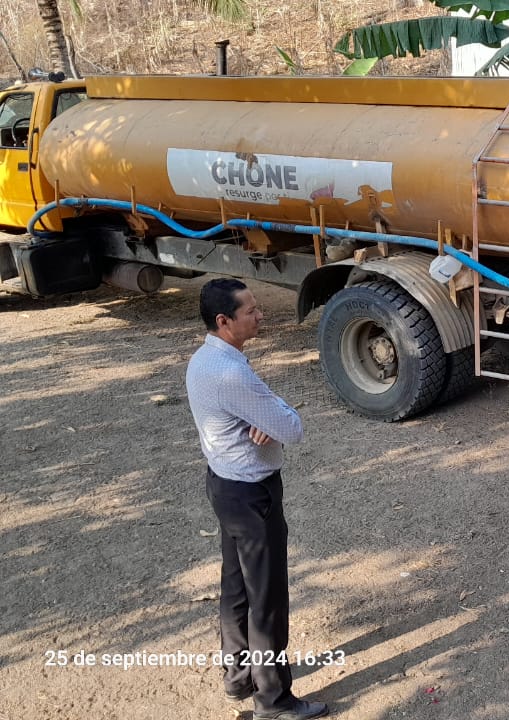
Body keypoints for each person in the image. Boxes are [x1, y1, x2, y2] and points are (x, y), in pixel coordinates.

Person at [185, 279, 328, 720]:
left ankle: (238, 676)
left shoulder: (204, 359)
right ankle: (274, 700)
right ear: (224, 321)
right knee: (266, 599)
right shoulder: (232, 374)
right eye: (250, 310)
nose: (260, 315)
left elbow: (269, 415)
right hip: (252, 497)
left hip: (224, 486)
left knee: (236, 588)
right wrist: (274, 412)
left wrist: (266, 412)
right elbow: (293, 428)